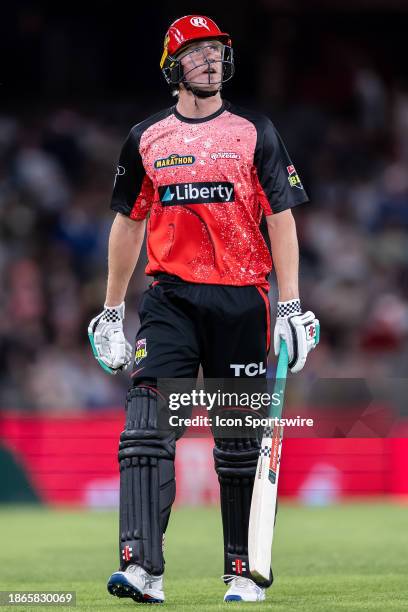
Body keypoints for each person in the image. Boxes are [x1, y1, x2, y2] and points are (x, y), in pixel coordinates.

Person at [88, 14, 319, 604]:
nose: (210, 60)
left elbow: (282, 218)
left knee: (238, 446)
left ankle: (243, 571)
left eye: (216, 51)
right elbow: (127, 222)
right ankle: (141, 567)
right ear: (173, 67)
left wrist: (291, 304)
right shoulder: (146, 138)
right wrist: (112, 310)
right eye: (195, 53)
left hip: (244, 300)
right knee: (144, 433)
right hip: (170, 300)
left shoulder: (255, 131)